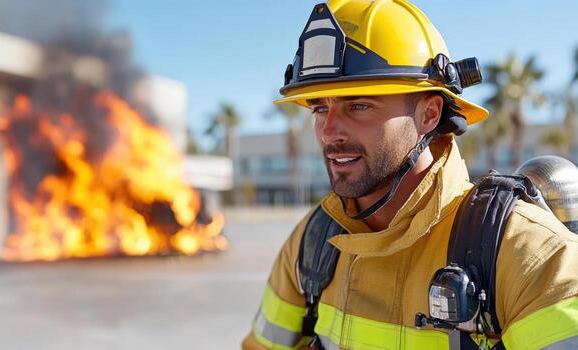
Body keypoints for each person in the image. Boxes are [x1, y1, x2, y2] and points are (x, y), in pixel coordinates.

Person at [241, 1, 578, 349]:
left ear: (430, 113)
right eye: (319, 108)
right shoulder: (312, 242)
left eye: (358, 105)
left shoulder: (528, 254)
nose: (329, 132)